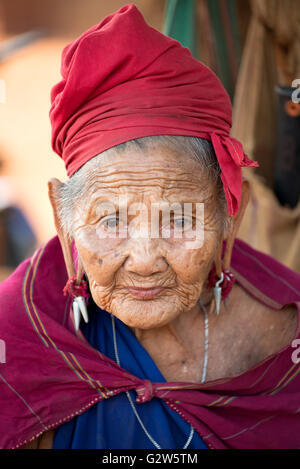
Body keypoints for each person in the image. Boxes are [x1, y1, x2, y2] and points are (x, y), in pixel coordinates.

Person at [0, 4, 299, 450]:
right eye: (111, 219)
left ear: (229, 215)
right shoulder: (18, 333)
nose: (143, 261)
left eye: (180, 219)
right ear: (63, 219)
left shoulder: (287, 340)